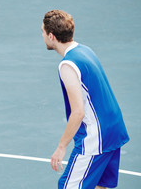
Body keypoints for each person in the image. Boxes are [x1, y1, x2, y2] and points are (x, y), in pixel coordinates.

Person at [41, 10, 129, 189]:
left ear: (51, 36)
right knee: (99, 186)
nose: (42, 36)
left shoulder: (67, 65)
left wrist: (61, 147)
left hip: (95, 137)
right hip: (113, 130)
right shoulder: (85, 50)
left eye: (42, 32)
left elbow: (78, 112)